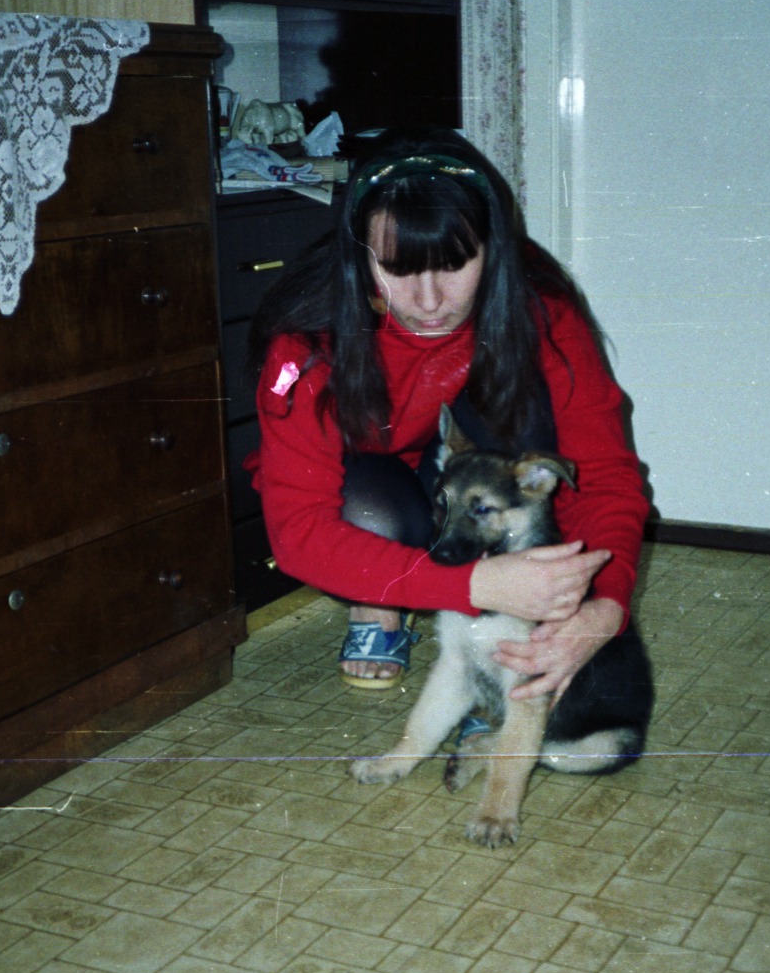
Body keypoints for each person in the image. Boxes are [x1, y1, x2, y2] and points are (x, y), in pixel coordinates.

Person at [245, 125, 649, 704]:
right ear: (360, 260)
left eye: (455, 265)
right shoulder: (306, 345)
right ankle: (380, 604)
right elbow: (301, 532)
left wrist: (601, 607)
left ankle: (518, 602)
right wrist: (474, 584)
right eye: (399, 269)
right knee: (369, 513)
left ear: (493, 251)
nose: (430, 301)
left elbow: (603, 471)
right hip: (376, 485)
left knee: (529, 422)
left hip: (464, 472)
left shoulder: (542, 312)